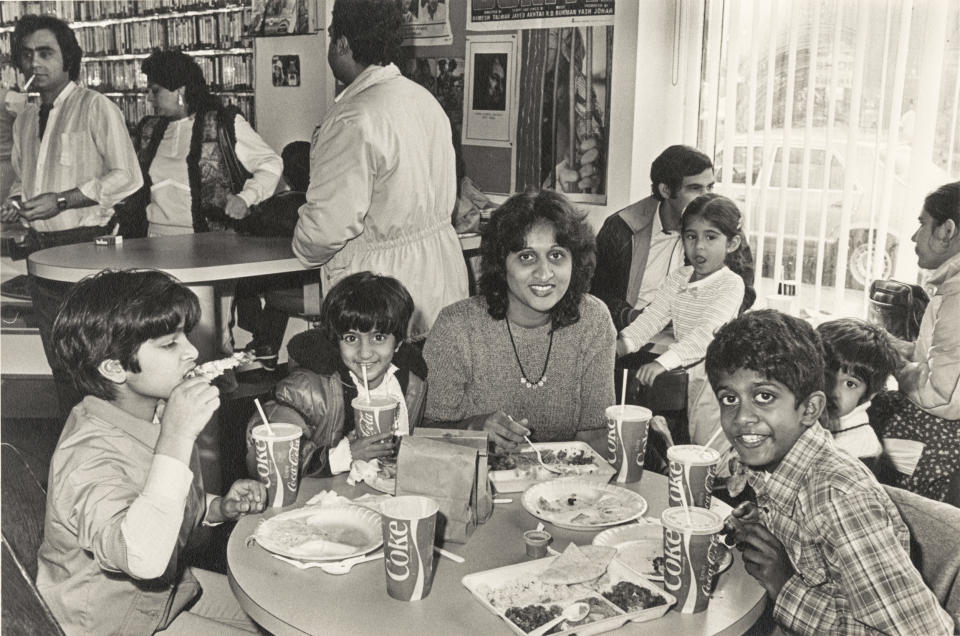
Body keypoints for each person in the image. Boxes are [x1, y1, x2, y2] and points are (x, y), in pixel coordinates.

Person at [37, 269, 266, 635]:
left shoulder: (153, 412)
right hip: (108, 624)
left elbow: (157, 499)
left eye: (185, 336)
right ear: (114, 368)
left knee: (273, 612)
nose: (191, 351)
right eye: (169, 343)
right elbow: (142, 556)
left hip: (161, 598)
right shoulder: (87, 456)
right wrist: (177, 436)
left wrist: (215, 507)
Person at [706, 310, 953, 635]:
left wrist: (786, 587)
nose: (741, 418)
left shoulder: (838, 497)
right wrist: (760, 523)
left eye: (764, 396)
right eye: (729, 398)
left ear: (810, 409)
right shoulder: (775, 457)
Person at [292, 0, 467, 340]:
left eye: (331, 38)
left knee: (379, 391)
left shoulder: (353, 117)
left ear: (342, 43)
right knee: (433, 386)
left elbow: (327, 227)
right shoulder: (424, 100)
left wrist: (302, 246)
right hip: (442, 278)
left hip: (382, 292)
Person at [0, 15, 143, 421]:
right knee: (60, 362)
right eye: (26, 55)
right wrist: (17, 202)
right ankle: (75, 454)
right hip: (41, 252)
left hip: (87, 247)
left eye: (46, 53)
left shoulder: (96, 107)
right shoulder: (27, 116)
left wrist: (62, 201)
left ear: (69, 59)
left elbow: (128, 177)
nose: (34, 64)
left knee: (98, 359)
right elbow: (24, 177)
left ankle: (111, 454)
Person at [423, 189, 616, 453]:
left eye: (557, 255)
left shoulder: (593, 320)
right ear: (501, 266)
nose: (544, 272)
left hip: (564, 487)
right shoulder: (457, 326)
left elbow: (596, 436)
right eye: (526, 257)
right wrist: (473, 428)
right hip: (474, 483)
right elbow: (423, 433)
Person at [245, 271, 426, 477]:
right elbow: (261, 459)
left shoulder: (410, 384)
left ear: (398, 344)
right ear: (336, 342)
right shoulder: (308, 389)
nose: (365, 352)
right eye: (351, 338)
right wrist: (344, 455)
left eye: (378, 337)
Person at [618, 193, 754, 455]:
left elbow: (706, 335)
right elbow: (653, 317)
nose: (699, 247)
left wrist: (661, 362)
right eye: (691, 237)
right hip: (685, 374)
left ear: (732, 243)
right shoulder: (679, 278)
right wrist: (622, 344)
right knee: (678, 448)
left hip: (717, 380)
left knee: (707, 452)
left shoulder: (730, 284)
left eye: (711, 237)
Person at [870, 181, 960, 506]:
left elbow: (938, 395)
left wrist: (893, 361)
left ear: (947, 229)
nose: (913, 237)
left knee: (860, 430)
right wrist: (885, 342)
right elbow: (939, 359)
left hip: (941, 440)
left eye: (922, 224)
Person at [131, 49, 282, 237]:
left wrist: (245, 199)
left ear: (180, 89)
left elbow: (271, 163)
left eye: (155, 91)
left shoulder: (221, 123)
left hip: (210, 247)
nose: (149, 98)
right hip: (152, 242)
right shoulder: (148, 131)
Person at [592, 145, 714, 330]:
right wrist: (633, 317)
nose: (707, 198)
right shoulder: (621, 228)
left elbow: (743, 287)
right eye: (695, 188)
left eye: (710, 187)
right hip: (633, 340)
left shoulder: (721, 226)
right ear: (665, 190)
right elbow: (597, 292)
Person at [816, 318, 901, 464]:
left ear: (869, 395)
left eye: (850, 384)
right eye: (826, 374)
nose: (832, 390)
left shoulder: (862, 447)